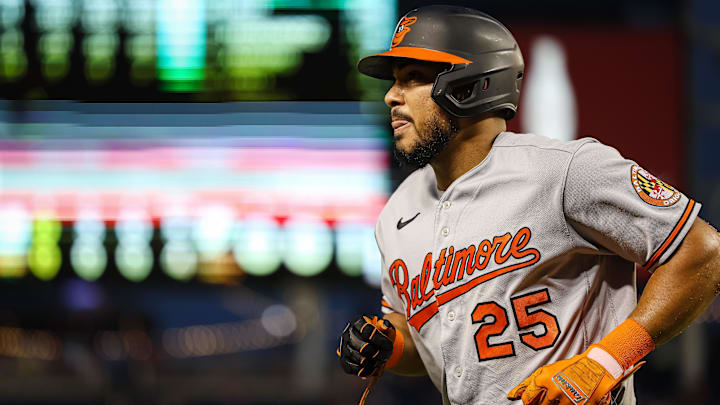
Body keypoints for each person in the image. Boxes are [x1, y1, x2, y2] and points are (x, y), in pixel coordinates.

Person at [336, 5, 720, 405]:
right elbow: (430, 343)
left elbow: (703, 252)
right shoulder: (396, 213)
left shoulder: (567, 170)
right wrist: (392, 346)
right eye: (395, 81)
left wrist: (607, 361)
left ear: (469, 85)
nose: (390, 96)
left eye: (412, 77)